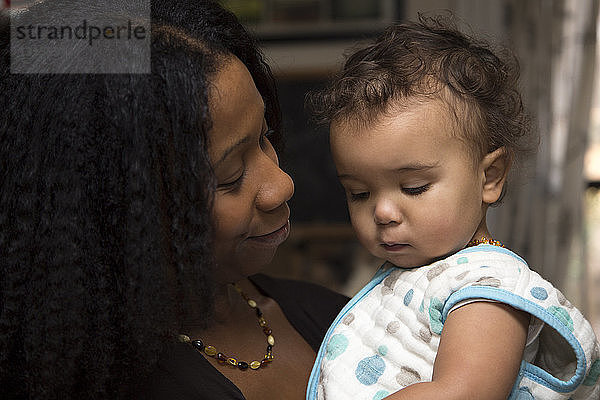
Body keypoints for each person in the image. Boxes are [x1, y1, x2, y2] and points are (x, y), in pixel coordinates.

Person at [0, 1, 348, 399]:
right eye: (230, 176)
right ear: (117, 211)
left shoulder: (342, 316)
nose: (281, 185)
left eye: (265, 136)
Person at [305, 15, 600, 400]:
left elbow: (460, 394)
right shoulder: (419, 274)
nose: (382, 212)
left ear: (490, 177)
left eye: (414, 187)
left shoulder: (486, 288)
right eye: (359, 193)